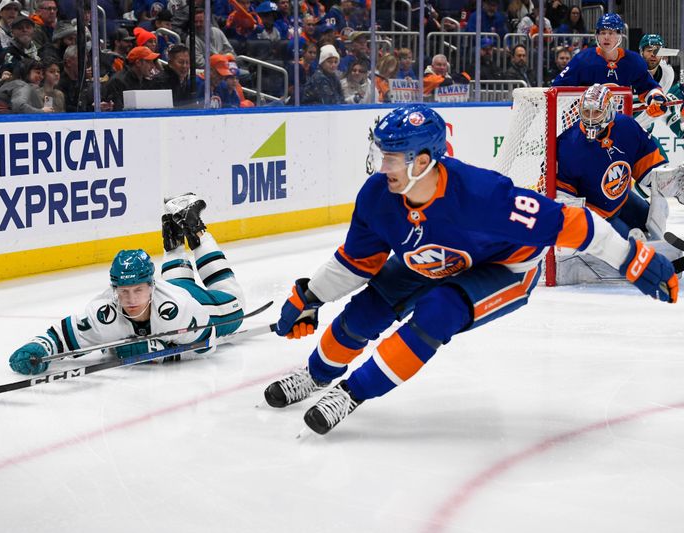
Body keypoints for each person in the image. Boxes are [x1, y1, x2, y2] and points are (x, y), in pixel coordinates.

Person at [263, 104, 678, 435]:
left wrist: (631, 258)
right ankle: (316, 374)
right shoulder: (377, 197)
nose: (382, 166)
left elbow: (574, 223)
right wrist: (310, 295)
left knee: (439, 311)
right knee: (369, 306)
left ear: (423, 161)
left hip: (506, 267)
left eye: (391, 157)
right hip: (433, 256)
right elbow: (356, 262)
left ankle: (351, 394)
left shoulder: (483, 196)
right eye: (380, 154)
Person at [8, 194, 246, 376]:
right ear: (115, 290)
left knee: (235, 304)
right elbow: (61, 337)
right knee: (177, 283)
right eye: (124, 292)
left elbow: (207, 342)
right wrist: (37, 348)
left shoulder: (179, 309)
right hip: (171, 289)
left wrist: (159, 353)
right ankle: (173, 231)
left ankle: (196, 229)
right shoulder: (103, 313)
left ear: (151, 286)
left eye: (138, 290)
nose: (131, 299)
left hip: (196, 301)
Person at [556, 84, 669, 240]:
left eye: (596, 112)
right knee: (629, 245)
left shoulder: (626, 127)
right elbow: (564, 194)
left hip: (622, 199)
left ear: (609, 111)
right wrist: (584, 225)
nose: (590, 118)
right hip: (598, 214)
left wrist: (666, 182)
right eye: (586, 112)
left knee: (655, 217)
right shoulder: (568, 144)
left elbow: (647, 166)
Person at [552, 13, 667, 118]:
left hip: (617, 123)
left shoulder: (633, 61)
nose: (606, 37)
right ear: (597, 35)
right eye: (602, 33)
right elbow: (557, 89)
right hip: (585, 123)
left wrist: (656, 99)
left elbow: (648, 87)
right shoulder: (582, 59)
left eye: (611, 33)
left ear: (619, 35)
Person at [104, 45, 157, 111]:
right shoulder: (118, 81)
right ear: (138, 63)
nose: (152, 66)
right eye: (149, 62)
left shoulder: (146, 80)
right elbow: (118, 111)